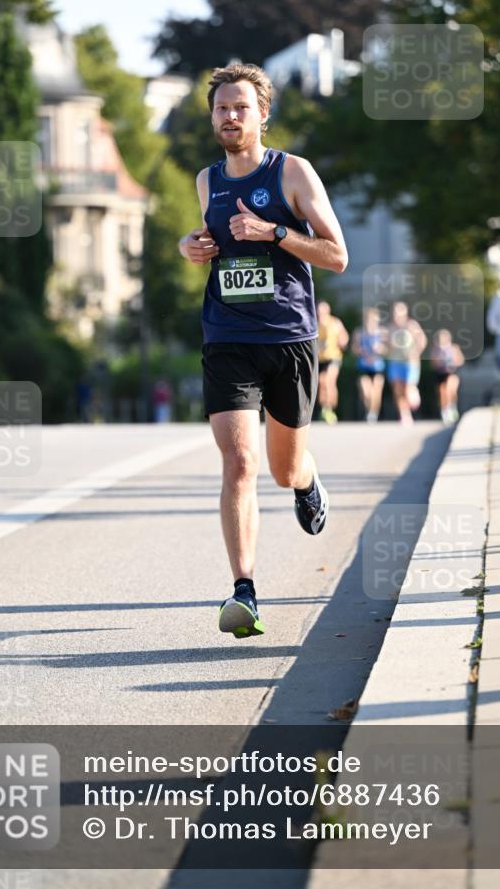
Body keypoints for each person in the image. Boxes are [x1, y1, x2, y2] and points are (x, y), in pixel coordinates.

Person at [178, 63, 348, 638]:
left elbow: (336, 255)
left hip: (289, 338)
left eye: (241, 107)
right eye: (222, 108)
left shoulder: (292, 173)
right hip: (227, 336)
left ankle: (306, 480)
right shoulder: (207, 180)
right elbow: (209, 240)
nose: (230, 116)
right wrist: (192, 245)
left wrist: (275, 233)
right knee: (239, 461)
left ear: (262, 115)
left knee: (282, 469)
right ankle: (243, 592)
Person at [384, 301, 427, 425]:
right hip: (395, 362)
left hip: (410, 363)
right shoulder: (390, 328)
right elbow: (386, 347)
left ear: (405, 313)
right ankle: (404, 415)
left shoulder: (412, 326)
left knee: (408, 388)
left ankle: (413, 394)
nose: (397, 315)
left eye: (399, 312)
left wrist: (416, 352)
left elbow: (422, 340)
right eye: (395, 312)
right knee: (398, 390)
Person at [316, 300, 349, 423]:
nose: (321, 313)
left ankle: (331, 408)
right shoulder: (314, 324)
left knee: (329, 381)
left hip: (333, 357)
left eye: (323, 311)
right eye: (319, 311)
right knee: (321, 382)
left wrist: (343, 341)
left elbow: (344, 336)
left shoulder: (335, 323)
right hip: (320, 359)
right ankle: (324, 408)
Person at [351, 307, 386, 422]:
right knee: (367, 392)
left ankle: (373, 413)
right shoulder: (359, 332)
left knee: (376, 390)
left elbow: (388, 349)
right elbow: (353, 349)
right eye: (368, 319)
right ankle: (369, 409)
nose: (370, 322)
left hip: (377, 366)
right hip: (363, 366)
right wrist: (359, 350)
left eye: (373, 320)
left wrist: (380, 349)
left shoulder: (382, 333)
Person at [431, 329, 465, 424]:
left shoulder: (454, 348)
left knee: (451, 389)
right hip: (441, 373)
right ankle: (445, 410)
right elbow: (433, 364)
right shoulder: (436, 350)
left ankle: (452, 407)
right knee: (443, 392)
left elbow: (460, 360)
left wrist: (452, 362)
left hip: (452, 372)